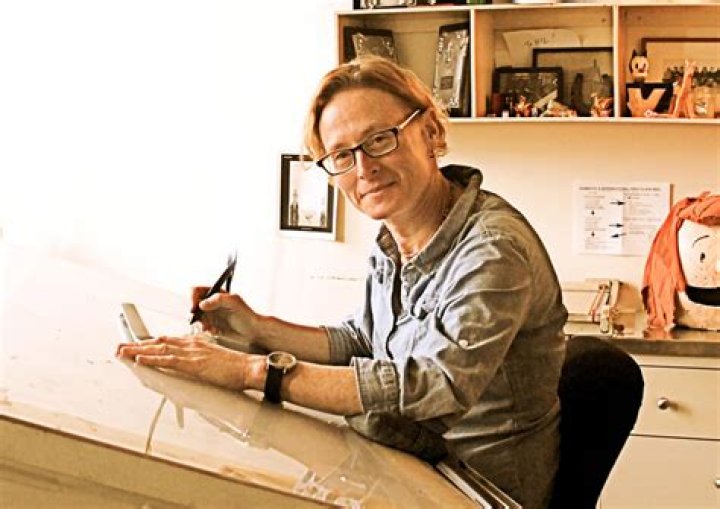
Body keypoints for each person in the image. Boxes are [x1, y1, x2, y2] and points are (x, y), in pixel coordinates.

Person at [117, 55, 567, 508]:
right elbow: (363, 340)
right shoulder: (395, 237)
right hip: (406, 463)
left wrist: (250, 371)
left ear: (430, 131)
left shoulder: (493, 248)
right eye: (342, 156)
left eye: (379, 139)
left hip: (477, 491)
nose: (363, 168)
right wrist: (258, 329)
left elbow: (437, 383)